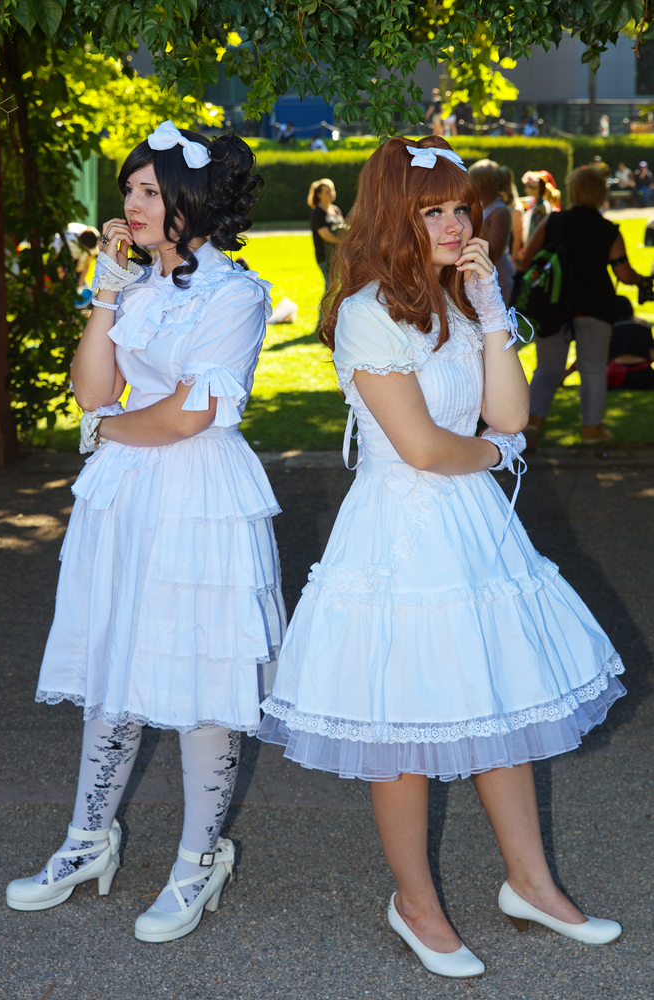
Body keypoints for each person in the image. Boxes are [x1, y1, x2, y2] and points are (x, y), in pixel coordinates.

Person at [258, 136, 624, 979]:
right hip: (400, 533)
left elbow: (511, 413)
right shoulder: (366, 313)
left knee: (495, 705)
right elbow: (424, 447)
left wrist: (491, 313)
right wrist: (494, 456)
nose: (458, 223)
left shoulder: (460, 302)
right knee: (402, 727)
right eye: (435, 210)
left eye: (461, 207)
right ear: (395, 216)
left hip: (472, 530)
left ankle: (531, 885)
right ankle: (414, 904)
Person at [5, 121, 286, 943]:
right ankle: (87, 839)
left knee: (202, 678)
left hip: (198, 498)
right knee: (114, 661)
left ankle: (200, 859)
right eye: (128, 188)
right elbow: (93, 390)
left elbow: (189, 415)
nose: (129, 203)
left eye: (147, 190)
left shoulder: (236, 293)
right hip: (124, 497)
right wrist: (105, 293)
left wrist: (106, 431)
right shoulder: (135, 289)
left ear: (190, 201)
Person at [521, 167, 650, 446]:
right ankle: (592, 428)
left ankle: (532, 423)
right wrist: (642, 280)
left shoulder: (554, 222)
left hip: (553, 304)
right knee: (593, 368)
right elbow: (623, 273)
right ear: (600, 193)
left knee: (547, 368)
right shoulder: (607, 230)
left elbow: (527, 258)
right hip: (595, 305)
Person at [468, 158, 515, 303]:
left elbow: (494, 252)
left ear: (483, 185)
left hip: (498, 279)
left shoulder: (500, 211)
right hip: (488, 277)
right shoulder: (486, 207)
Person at [308, 177, 345, 323]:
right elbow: (326, 235)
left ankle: (334, 320)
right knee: (331, 288)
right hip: (325, 257)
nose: (331, 194)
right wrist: (344, 242)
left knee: (337, 288)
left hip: (338, 257)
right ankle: (322, 321)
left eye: (332, 190)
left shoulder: (335, 210)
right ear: (319, 195)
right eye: (327, 191)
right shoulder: (317, 212)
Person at [607, 295, 654, 390]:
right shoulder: (644, 325)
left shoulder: (609, 327)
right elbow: (652, 354)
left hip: (615, 374)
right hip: (644, 374)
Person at [498, 164, 524, 265]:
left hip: (506, 262)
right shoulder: (497, 204)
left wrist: (512, 261)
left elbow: (517, 239)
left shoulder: (514, 210)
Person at [521, 171, 551, 240]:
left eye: (528, 187)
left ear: (537, 188)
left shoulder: (540, 207)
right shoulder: (540, 203)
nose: (526, 190)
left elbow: (534, 233)